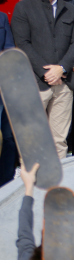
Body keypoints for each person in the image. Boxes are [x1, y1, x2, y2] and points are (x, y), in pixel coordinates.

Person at [12, 0, 74, 159]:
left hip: (63, 83)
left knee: (59, 140)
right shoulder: (24, 9)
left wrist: (62, 68)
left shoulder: (69, 8)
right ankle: (34, 185)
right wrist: (46, 72)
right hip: (35, 82)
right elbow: (23, 44)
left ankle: (58, 186)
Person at [0, 10, 15, 184]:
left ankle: (6, 184)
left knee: (9, 137)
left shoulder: (2, 17)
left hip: (3, 87)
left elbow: (10, 48)